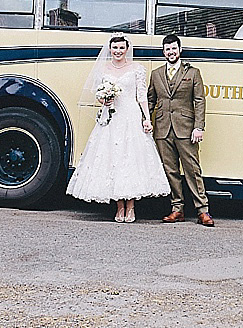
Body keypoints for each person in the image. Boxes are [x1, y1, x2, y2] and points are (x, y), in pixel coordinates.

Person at [67, 33, 169, 222]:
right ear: (110, 49)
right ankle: (119, 206)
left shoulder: (137, 69)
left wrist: (147, 119)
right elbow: (98, 94)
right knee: (112, 158)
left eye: (121, 48)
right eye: (115, 48)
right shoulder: (104, 69)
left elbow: (141, 96)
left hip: (130, 115)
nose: (118, 51)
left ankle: (131, 207)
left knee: (129, 159)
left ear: (127, 49)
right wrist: (104, 99)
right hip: (111, 117)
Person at [145, 34, 214, 226]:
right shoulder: (156, 74)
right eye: (167, 49)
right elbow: (151, 100)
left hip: (186, 129)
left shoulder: (193, 73)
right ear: (163, 52)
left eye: (174, 48)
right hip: (163, 129)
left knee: (193, 170)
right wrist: (145, 120)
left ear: (180, 50)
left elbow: (199, 100)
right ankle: (177, 209)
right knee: (170, 171)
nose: (171, 52)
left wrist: (198, 127)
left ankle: (202, 210)